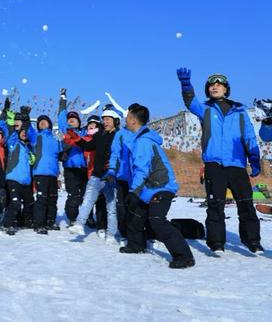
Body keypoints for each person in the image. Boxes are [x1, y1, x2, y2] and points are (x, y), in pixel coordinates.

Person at [177, 68, 263, 254]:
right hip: (214, 165)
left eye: (219, 85)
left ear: (226, 89)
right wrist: (186, 85)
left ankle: (253, 242)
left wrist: (255, 160)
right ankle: (217, 243)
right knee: (215, 206)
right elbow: (190, 103)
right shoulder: (206, 110)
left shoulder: (240, 111)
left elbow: (249, 137)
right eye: (211, 86)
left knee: (246, 204)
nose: (214, 87)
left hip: (237, 165)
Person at [120, 103, 195, 269]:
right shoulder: (140, 139)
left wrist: (134, 192)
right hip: (149, 188)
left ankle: (184, 256)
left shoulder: (143, 142)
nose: (124, 118)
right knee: (136, 214)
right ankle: (136, 245)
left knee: (157, 220)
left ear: (133, 120)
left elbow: (142, 169)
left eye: (127, 116)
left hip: (161, 187)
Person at [67, 108, 120, 243]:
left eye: (108, 119)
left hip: (111, 176)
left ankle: (111, 234)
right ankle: (79, 225)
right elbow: (88, 146)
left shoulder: (120, 135)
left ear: (115, 121)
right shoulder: (99, 135)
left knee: (111, 208)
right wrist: (76, 138)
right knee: (87, 201)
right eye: (104, 120)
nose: (105, 122)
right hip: (96, 174)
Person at [57, 89, 89, 226]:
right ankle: (72, 217)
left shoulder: (84, 133)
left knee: (85, 196)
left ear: (79, 122)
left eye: (74, 119)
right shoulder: (66, 132)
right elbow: (61, 116)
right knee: (74, 195)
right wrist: (63, 100)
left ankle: (87, 217)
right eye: (69, 120)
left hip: (84, 169)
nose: (71, 121)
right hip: (70, 168)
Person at [105, 105, 135, 239]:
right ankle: (124, 233)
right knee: (122, 206)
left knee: (138, 207)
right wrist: (111, 170)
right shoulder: (120, 134)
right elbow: (115, 154)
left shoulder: (142, 134)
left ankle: (143, 235)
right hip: (122, 176)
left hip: (138, 177)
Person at [2, 123, 35, 236]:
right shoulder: (14, 144)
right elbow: (11, 136)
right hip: (13, 178)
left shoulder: (30, 148)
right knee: (15, 202)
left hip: (26, 180)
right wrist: (13, 125)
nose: (24, 133)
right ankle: (8, 224)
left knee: (29, 202)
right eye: (22, 132)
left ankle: (25, 221)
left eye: (26, 132)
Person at [31, 114, 62, 234]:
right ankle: (39, 224)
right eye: (40, 122)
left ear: (50, 124)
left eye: (45, 121)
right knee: (41, 199)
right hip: (40, 172)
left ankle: (50, 221)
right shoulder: (36, 137)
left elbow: (62, 150)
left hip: (53, 174)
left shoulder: (54, 139)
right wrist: (25, 117)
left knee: (53, 199)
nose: (42, 123)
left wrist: (62, 144)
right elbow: (28, 130)